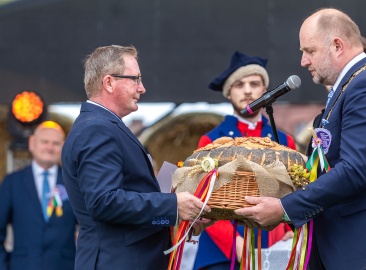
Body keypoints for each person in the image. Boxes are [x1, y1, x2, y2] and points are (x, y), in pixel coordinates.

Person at [234, 8, 366, 270]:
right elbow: (329, 164)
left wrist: (284, 207)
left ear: (337, 45)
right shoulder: (351, 86)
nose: (303, 61)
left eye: (310, 51)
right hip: (353, 243)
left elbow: (354, 170)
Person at [61, 45, 211, 270]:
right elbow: (104, 201)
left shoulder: (103, 126)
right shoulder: (97, 129)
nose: (142, 88)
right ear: (109, 82)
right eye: (135, 79)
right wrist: (173, 205)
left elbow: (127, 203)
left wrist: (175, 218)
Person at [193, 51, 296, 270]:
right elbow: (203, 203)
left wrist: (288, 232)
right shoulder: (210, 141)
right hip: (221, 255)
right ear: (228, 92)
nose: (248, 90)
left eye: (254, 83)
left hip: (273, 249)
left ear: (265, 90)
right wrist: (236, 245)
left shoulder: (285, 141)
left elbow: (295, 193)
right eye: (239, 85)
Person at [0, 121, 77, 270]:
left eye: (55, 143)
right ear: (32, 143)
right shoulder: (12, 182)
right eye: (44, 142)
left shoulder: (73, 183)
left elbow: (88, 227)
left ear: (63, 147)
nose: (49, 147)